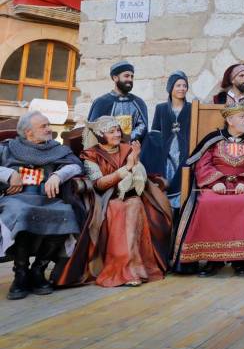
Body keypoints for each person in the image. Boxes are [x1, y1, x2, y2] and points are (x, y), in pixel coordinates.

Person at [56, 116, 172, 288]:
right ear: (101, 135)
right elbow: (99, 184)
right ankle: (122, 269)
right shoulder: (91, 155)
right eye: (112, 132)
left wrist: (136, 162)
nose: (118, 134)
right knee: (118, 207)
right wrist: (126, 168)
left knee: (136, 205)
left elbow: (138, 174)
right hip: (103, 197)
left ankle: (137, 267)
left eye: (118, 130)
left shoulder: (127, 148)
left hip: (132, 193)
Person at [172, 104, 244, 276]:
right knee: (206, 202)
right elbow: (201, 164)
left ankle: (241, 261)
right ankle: (213, 260)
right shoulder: (214, 139)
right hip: (215, 186)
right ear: (229, 120)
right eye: (242, 116)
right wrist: (214, 182)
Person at [0, 111, 83, 300]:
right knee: (22, 213)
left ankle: (38, 270)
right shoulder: (8, 148)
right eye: (44, 126)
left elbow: (76, 165)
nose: (49, 130)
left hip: (46, 199)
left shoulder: (57, 149)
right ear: (29, 132)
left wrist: (57, 175)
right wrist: (8, 174)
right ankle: (21, 273)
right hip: (16, 199)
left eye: (48, 125)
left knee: (65, 212)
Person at [142, 70, 191, 219]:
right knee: (167, 181)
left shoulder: (191, 108)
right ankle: (167, 216)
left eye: (184, 85)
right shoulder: (161, 108)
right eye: (178, 85)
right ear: (171, 88)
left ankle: (180, 219)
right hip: (166, 153)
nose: (182, 88)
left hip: (185, 151)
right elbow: (155, 132)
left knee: (182, 181)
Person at [87, 60, 149, 142]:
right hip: (107, 152)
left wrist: (129, 138)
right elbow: (94, 130)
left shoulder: (139, 102)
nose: (130, 79)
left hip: (133, 151)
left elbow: (142, 126)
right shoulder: (101, 102)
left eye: (132, 76)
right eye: (126, 76)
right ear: (115, 78)